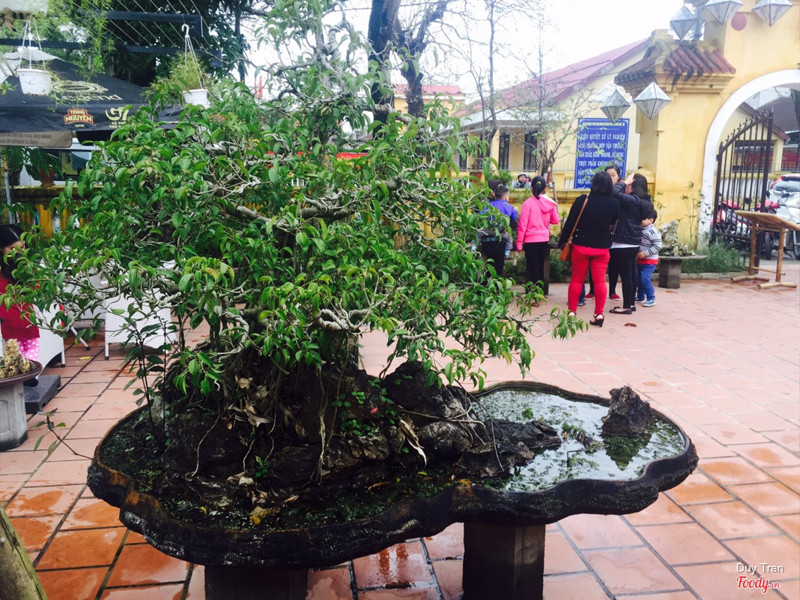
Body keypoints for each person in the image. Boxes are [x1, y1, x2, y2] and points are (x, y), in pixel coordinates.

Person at [558, 171, 619, 326]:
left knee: (577, 280)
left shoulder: (582, 200)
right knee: (600, 281)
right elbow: (613, 223)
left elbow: (570, 223)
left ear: (593, 183)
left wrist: (562, 242)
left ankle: (572, 312)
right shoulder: (614, 203)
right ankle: (598, 314)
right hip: (602, 247)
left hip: (581, 246)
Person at [609, 172, 653, 315]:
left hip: (623, 242)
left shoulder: (632, 200)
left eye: (629, 185)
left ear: (633, 186)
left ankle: (626, 306)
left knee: (626, 276)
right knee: (631, 274)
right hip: (633, 242)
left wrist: (624, 182)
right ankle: (631, 303)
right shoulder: (644, 201)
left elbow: (614, 192)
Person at [0, 224, 40, 362]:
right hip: (16, 323)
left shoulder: (28, 268)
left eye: (22, 247)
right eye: (13, 249)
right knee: (25, 359)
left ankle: (29, 373)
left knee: (21, 360)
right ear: (1, 249)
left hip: (25, 322)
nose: (19, 252)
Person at [516, 176, 560, 292]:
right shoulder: (549, 203)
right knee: (540, 267)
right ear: (545, 188)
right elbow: (556, 220)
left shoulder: (527, 203)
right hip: (543, 239)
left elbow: (522, 224)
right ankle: (539, 292)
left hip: (530, 240)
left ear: (531, 188)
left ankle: (532, 292)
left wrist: (519, 242)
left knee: (532, 267)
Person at [477, 184, 518, 278]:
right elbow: (514, 216)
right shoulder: (507, 206)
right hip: (500, 241)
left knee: (489, 266)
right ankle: (496, 286)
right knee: (498, 267)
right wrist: (515, 210)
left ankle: (486, 284)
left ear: (494, 194)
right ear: (506, 196)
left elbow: (480, 216)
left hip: (487, 242)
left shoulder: (489, 205)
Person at [636, 206, 662, 307]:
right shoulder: (642, 229)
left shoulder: (652, 231)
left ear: (651, 220)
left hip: (650, 260)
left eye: (643, 218)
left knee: (645, 279)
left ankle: (651, 298)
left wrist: (645, 253)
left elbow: (658, 246)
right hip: (641, 259)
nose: (640, 220)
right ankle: (640, 296)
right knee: (639, 279)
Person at [604, 164, 623, 299]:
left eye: (613, 175)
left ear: (618, 177)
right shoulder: (599, 191)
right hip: (602, 232)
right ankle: (592, 290)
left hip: (616, 233)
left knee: (614, 263)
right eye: (608, 175)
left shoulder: (621, 193)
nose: (610, 178)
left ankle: (612, 290)